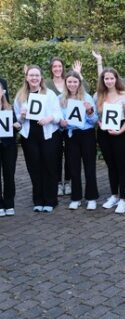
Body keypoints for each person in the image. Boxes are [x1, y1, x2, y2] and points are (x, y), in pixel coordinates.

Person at [14, 65, 62, 212]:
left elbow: (58, 115)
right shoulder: (20, 96)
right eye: (31, 75)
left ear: (41, 77)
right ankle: (38, 200)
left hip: (48, 135)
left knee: (49, 167)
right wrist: (21, 117)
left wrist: (49, 119)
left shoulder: (50, 94)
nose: (34, 78)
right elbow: (17, 121)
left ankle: (51, 200)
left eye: (37, 75)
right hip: (29, 137)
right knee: (34, 168)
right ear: (26, 77)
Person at [45, 57, 89, 197]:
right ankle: (58, 183)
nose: (57, 69)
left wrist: (78, 73)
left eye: (59, 66)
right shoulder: (46, 83)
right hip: (57, 126)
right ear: (51, 69)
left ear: (63, 67)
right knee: (57, 155)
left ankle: (69, 181)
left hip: (73, 126)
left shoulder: (70, 79)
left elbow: (85, 89)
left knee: (71, 156)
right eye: (54, 67)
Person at [59, 70, 99, 210]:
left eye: (75, 81)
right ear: (66, 83)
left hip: (86, 134)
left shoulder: (87, 97)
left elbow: (94, 120)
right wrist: (61, 123)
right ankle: (76, 197)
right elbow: (59, 120)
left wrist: (89, 111)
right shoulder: (61, 99)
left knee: (90, 167)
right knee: (74, 168)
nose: (72, 84)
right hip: (71, 135)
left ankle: (91, 197)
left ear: (79, 83)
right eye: (69, 81)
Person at [95, 67, 125, 214]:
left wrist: (120, 131)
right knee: (111, 166)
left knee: (122, 166)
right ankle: (114, 196)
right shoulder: (99, 95)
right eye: (106, 78)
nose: (109, 81)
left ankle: (123, 200)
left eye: (111, 78)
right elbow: (97, 115)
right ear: (103, 80)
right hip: (104, 134)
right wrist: (99, 123)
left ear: (116, 79)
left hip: (120, 134)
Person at [0, 83, 21, 216]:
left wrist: (17, 125)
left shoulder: (9, 108)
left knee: (9, 175)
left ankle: (9, 204)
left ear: (3, 92)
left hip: (9, 146)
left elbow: (16, 126)